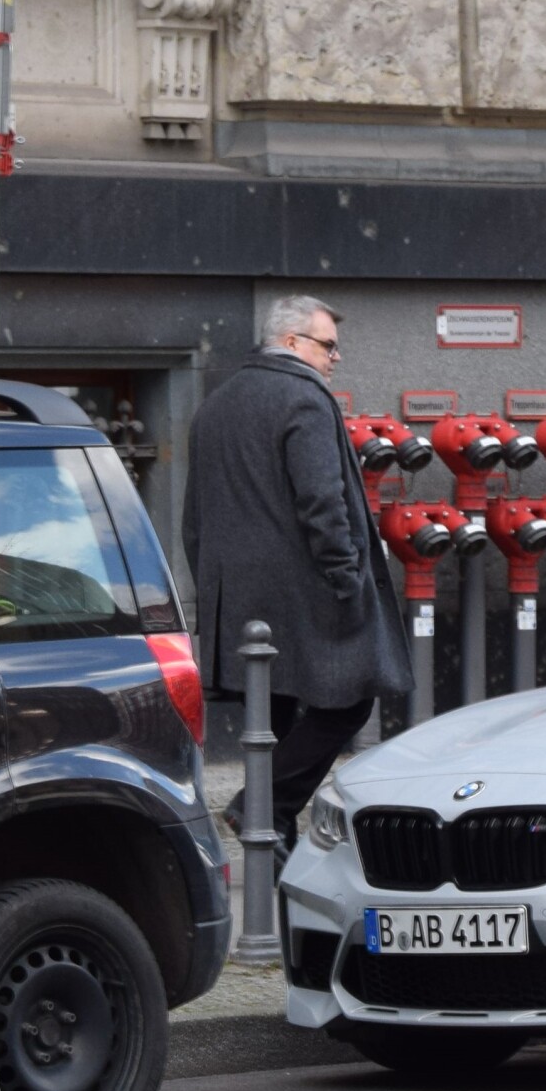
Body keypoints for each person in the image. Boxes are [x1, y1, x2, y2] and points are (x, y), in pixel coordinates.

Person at [182, 294, 411, 849]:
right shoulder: (304, 399)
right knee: (353, 696)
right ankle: (262, 807)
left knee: (277, 715)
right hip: (304, 590)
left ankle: (274, 836)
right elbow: (323, 504)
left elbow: (195, 514)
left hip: (239, 597)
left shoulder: (218, 401)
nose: (335, 358)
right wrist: (346, 578)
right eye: (328, 346)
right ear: (291, 343)